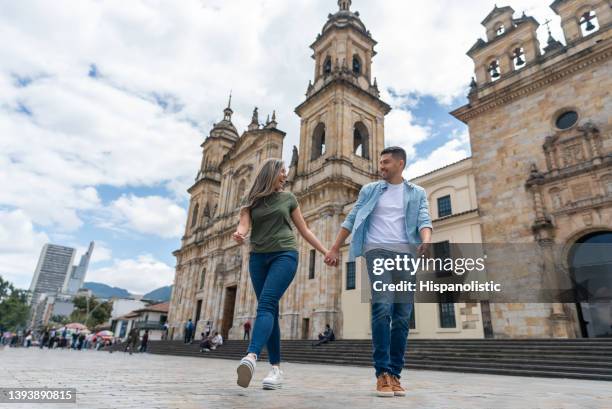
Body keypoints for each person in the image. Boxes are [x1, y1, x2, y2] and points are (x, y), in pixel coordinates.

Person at [324, 146, 433, 398]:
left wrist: (425, 239)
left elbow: (424, 220)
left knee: (403, 315)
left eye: (385, 162)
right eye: (380, 162)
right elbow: (351, 219)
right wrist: (334, 248)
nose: (380, 166)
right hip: (378, 252)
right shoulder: (370, 190)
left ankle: (395, 374)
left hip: (406, 255)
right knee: (382, 306)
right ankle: (382, 372)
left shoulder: (417, 193)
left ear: (400, 164)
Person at [232, 158, 329, 390]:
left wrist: (325, 251)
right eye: (282, 171)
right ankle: (275, 370)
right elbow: (244, 224)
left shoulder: (289, 198)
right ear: (271, 173)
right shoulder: (250, 201)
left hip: (284, 255)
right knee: (271, 310)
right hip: (257, 258)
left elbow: (304, 229)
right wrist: (239, 233)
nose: (286, 175)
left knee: (265, 304)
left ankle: (251, 357)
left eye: (286, 171)